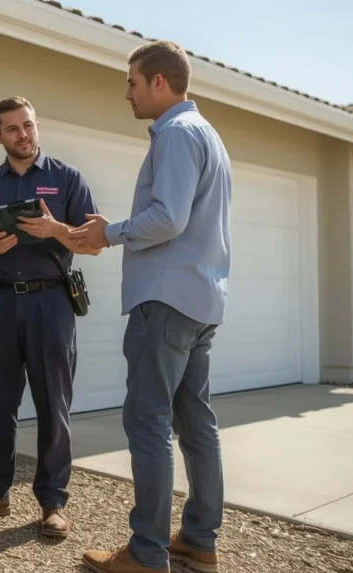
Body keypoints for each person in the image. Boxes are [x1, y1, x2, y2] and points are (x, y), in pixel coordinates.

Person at [70, 40, 232, 573]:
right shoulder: (207, 135)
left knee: (149, 423)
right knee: (195, 423)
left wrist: (109, 233)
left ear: (159, 81)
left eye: (133, 83)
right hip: (199, 300)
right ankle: (199, 541)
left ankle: (146, 555)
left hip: (164, 302)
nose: (128, 93)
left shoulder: (177, 134)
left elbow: (168, 218)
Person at [0, 96, 100, 538]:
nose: (24, 135)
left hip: (50, 304)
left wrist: (56, 230)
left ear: (37, 127)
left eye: (29, 125)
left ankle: (53, 502)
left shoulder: (67, 179)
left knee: (54, 404)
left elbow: (93, 244)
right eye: (13, 129)